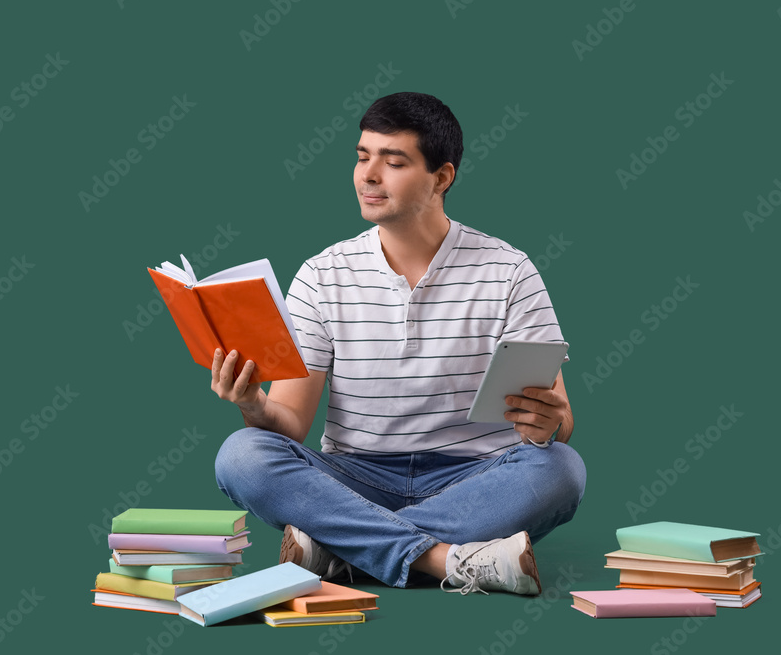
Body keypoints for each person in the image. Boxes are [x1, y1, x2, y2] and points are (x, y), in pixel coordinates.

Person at [212, 92, 585, 596]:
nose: (368, 175)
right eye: (362, 157)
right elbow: (290, 426)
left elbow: (558, 423)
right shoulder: (322, 274)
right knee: (242, 454)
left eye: (394, 162)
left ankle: (342, 548)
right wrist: (253, 403)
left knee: (561, 468)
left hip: (476, 478)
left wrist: (550, 423)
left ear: (442, 177)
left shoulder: (509, 270)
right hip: (353, 477)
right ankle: (445, 559)